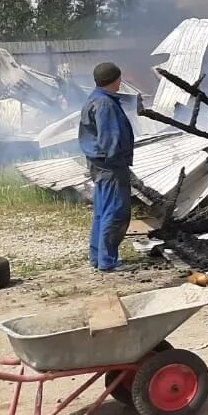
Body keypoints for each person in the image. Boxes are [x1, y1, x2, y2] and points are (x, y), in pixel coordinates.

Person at [79, 62, 135, 272]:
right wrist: (117, 163)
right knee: (116, 212)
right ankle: (108, 261)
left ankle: (97, 257)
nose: (121, 82)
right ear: (114, 80)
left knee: (102, 212)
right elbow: (110, 137)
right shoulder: (105, 104)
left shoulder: (94, 98)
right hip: (111, 167)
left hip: (99, 166)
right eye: (119, 79)